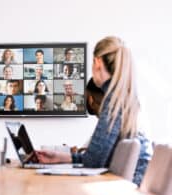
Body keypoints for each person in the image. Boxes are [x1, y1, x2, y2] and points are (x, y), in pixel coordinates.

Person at [37, 36, 153, 186]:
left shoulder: (114, 100)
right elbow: (99, 156)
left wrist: (65, 157)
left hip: (128, 190)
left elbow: (94, 161)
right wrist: (60, 157)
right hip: (134, 186)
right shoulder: (125, 96)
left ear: (97, 62)